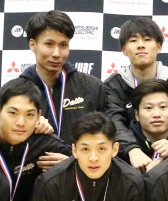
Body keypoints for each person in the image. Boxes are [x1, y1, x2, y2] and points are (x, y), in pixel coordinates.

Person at [103, 17, 168, 167]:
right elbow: (113, 121)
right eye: (133, 40)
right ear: (124, 49)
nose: (140, 45)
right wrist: (131, 149)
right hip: (126, 162)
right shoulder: (113, 85)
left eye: (147, 39)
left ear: (159, 46)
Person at [17, 10, 105, 138]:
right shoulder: (15, 92)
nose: (57, 54)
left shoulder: (93, 87)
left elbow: (106, 135)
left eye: (63, 45)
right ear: (32, 45)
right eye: (49, 44)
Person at [117, 79, 168, 170]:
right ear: (137, 115)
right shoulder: (120, 149)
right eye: (149, 108)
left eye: (162, 107)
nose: (156, 114)